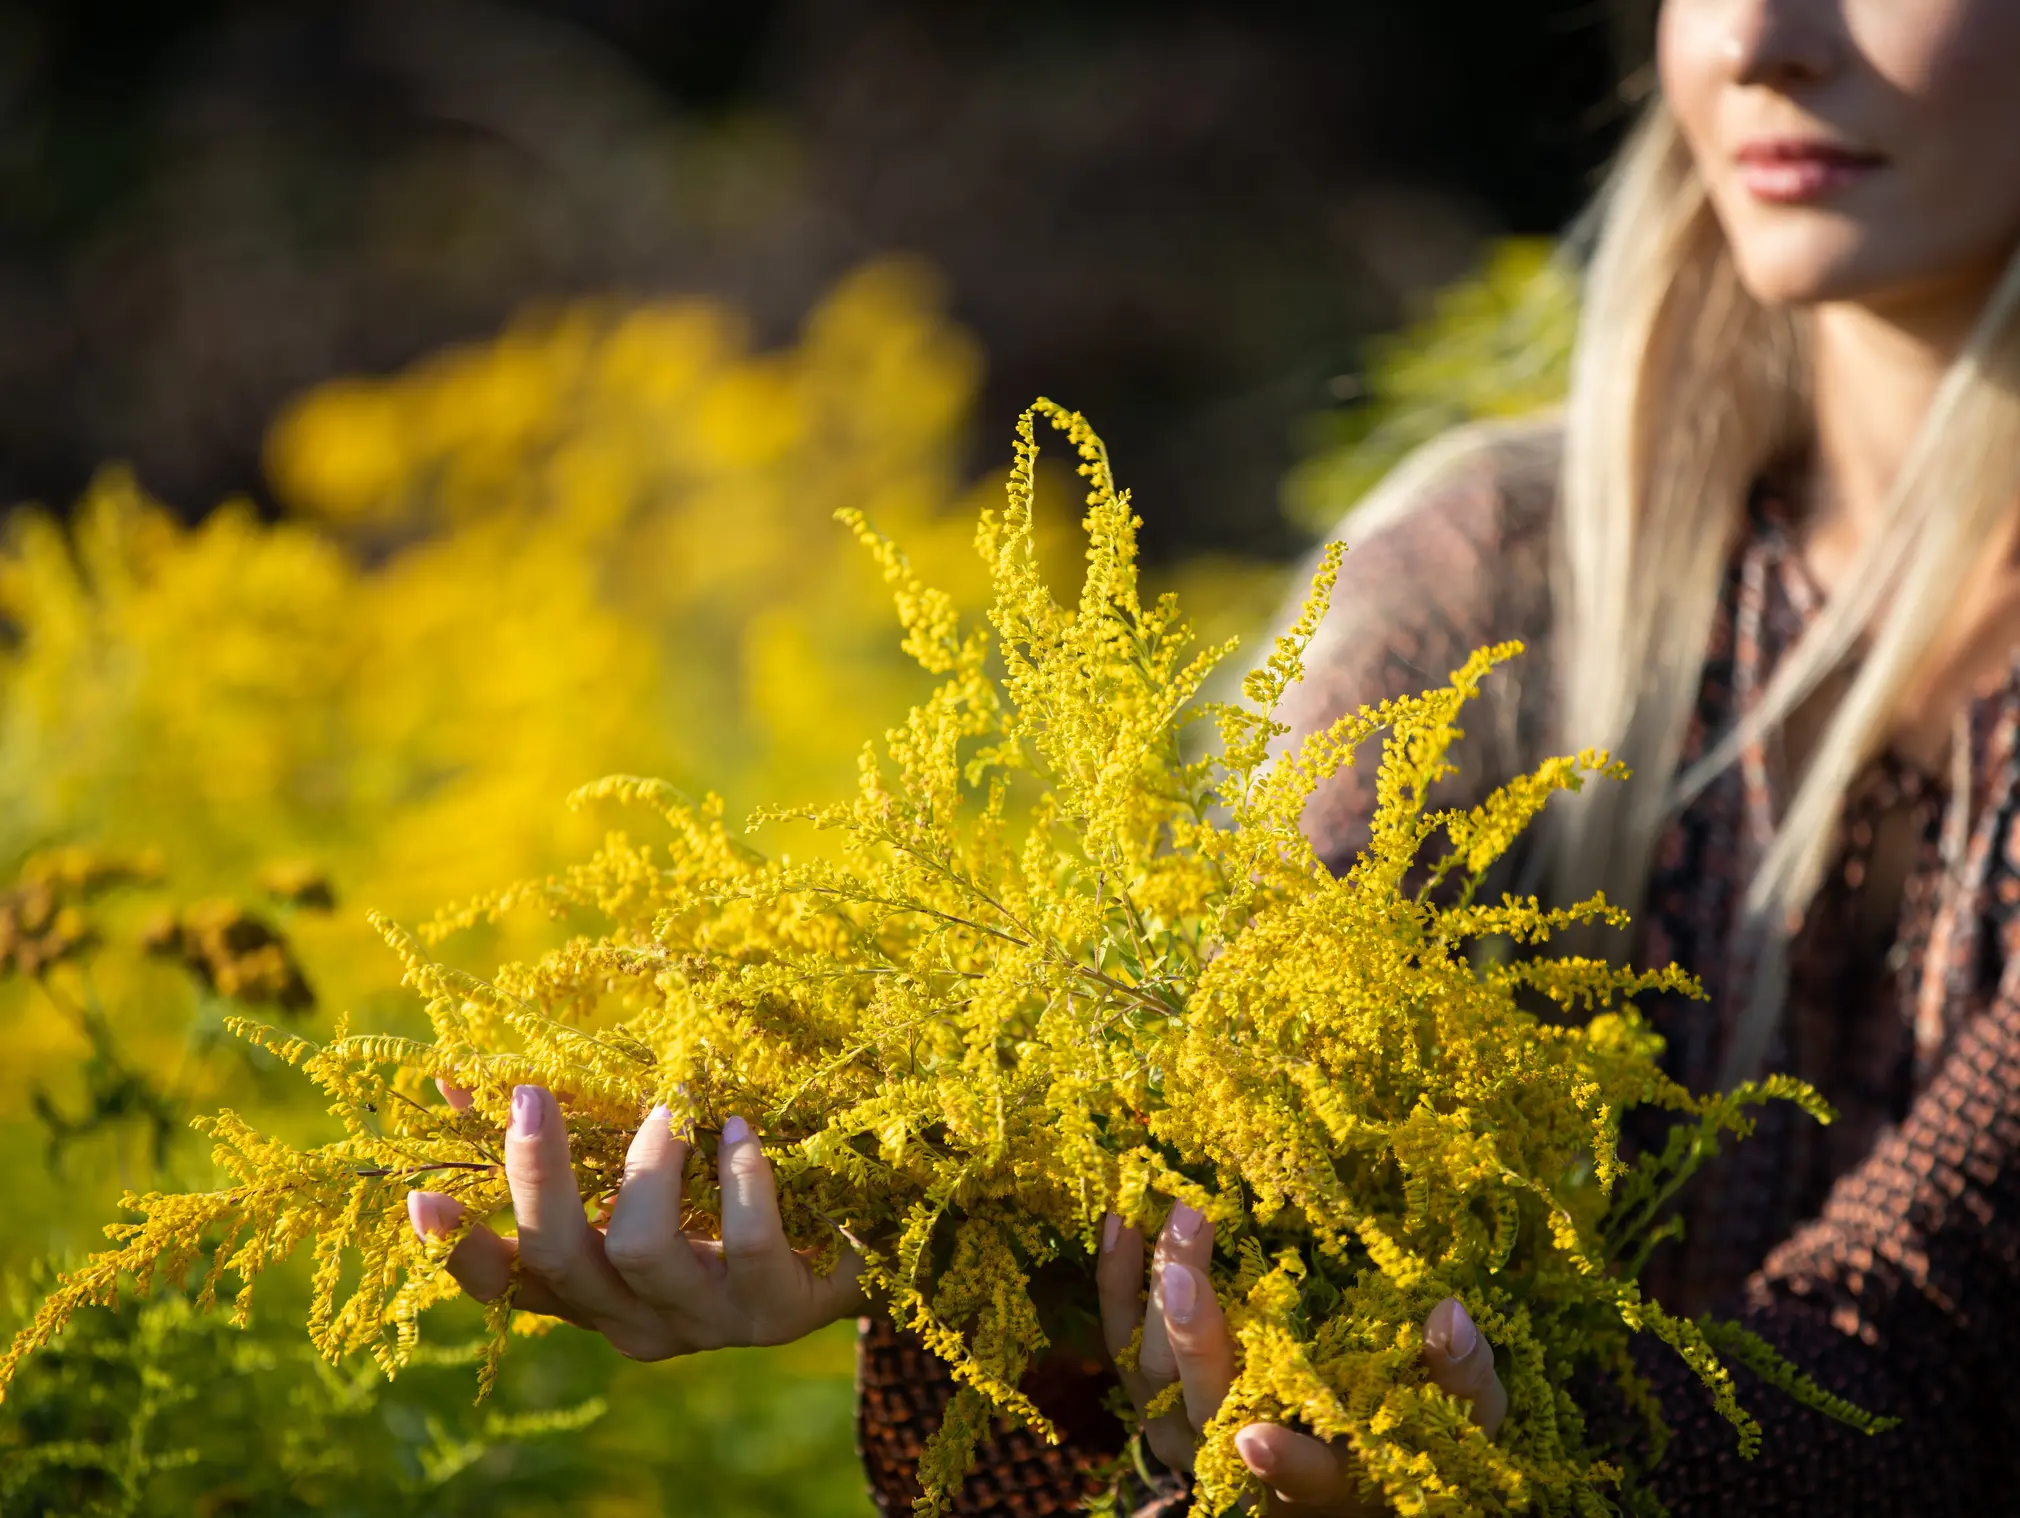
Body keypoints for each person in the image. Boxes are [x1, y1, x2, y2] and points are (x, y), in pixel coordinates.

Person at [405, 0, 2020, 1510]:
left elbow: (1936, 1335)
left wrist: (1514, 1458)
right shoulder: (1487, 584)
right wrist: (938, 1222)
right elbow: (1213, 1111)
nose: (1759, 41)